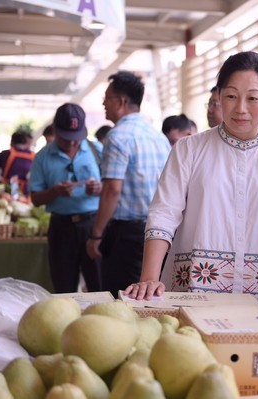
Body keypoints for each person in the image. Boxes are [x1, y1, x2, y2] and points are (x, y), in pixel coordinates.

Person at [123, 51, 258, 329]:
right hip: (194, 294)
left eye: (253, 98)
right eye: (231, 96)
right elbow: (164, 214)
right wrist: (149, 279)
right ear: (219, 96)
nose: (241, 109)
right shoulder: (189, 149)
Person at [86, 70, 171, 298]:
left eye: (107, 98)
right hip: (157, 232)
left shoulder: (118, 136)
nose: (104, 103)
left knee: (121, 297)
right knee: (147, 297)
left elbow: (112, 190)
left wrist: (96, 234)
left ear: (122, 102)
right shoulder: (158, 137)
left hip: (126, 235)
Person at [29, 103, 103, 293]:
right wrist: (54, 192)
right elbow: (35, 199)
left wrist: (99, 188)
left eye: (76, 138)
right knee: (64, 289)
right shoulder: (42, 158)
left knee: (99, 285)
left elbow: (114, 187)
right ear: (55, 130)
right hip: (61, 229)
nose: (71, 143)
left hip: (93, 226)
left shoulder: (97, 151)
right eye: (65, 138)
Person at [0, 130, 35, 196]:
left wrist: (1, 181)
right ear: (26, 143)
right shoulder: (34, 156)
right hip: (26, 194)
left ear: (12, 142)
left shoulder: (5, 154)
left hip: (6, 193)